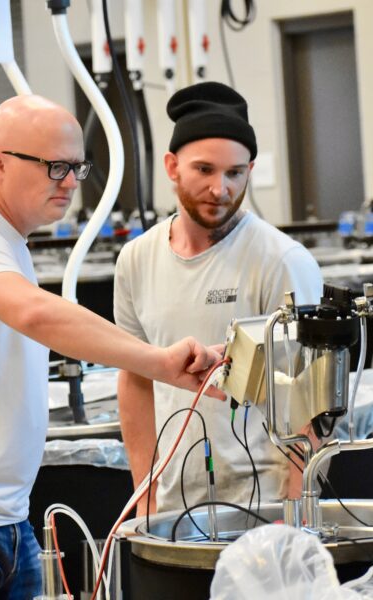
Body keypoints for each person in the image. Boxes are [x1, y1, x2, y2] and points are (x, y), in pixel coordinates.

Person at [0, 94, 223, 600]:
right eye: (55, 167)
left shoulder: (8, 241)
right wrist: (159, 362)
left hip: (4, 518)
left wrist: (159, 361)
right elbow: (36, 314)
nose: (71, 182)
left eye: (76, 166)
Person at [114, 81, 324, 516]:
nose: (220, 188)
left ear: (250, 168)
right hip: (172, 503)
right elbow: (135, 379)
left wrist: (297, 508)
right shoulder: (136, 259)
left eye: (235, 173)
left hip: (262, 505)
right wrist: (145, 495)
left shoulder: (281, 260)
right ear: (172, 167)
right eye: (204, 170)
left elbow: (310, 397)